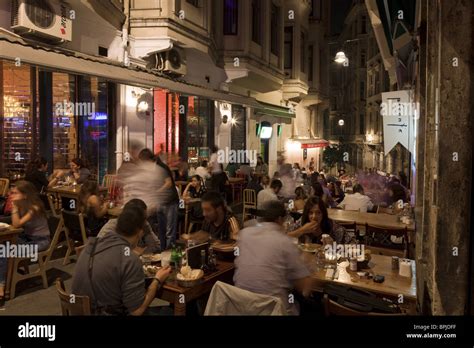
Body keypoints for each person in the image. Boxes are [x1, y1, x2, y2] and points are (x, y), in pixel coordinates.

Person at [71, 207, 172, 315]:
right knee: (170, 311)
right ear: (139, 232)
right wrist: (157, 280)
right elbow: (137, 311)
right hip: (104, 312)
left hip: (79, 311)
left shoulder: (91, 246)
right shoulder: (129, 260)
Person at [234, 200, 311, 315]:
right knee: (310, 306)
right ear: (280, 219)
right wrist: (310, 263)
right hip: (274, 310)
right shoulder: (283, 241)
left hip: (242, 307)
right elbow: (304, 287)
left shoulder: (244, 234)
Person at [0, 181, 50, 306]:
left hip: (40, 242)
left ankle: (1, 286)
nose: (11, 195)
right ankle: (4, 279)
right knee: (4, 246)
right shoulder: (22, 205)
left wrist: (14, 207)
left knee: (5, 249)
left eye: (15, 193)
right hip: (26, 238)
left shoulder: (35, 207)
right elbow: (16, 225)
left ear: (25, 195)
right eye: (12, 192)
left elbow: (16, 224)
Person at [288, 196, 354, 244]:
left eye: (318, 213)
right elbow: (284, 237)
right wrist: (301, 230)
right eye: (311, 213)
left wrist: (334, 246)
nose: (314, 217)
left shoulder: (332, 226)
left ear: (323, 214)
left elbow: (352, 243)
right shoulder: (302, 222)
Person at [155, 152, 180, 250]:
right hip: (161, 201)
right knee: (161, 230)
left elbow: (168, 183)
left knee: (169, 231)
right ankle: (162, 252)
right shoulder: (155, 169)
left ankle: (170, 254)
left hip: (170, 201)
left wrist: (156, 191)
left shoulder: (162, 167)